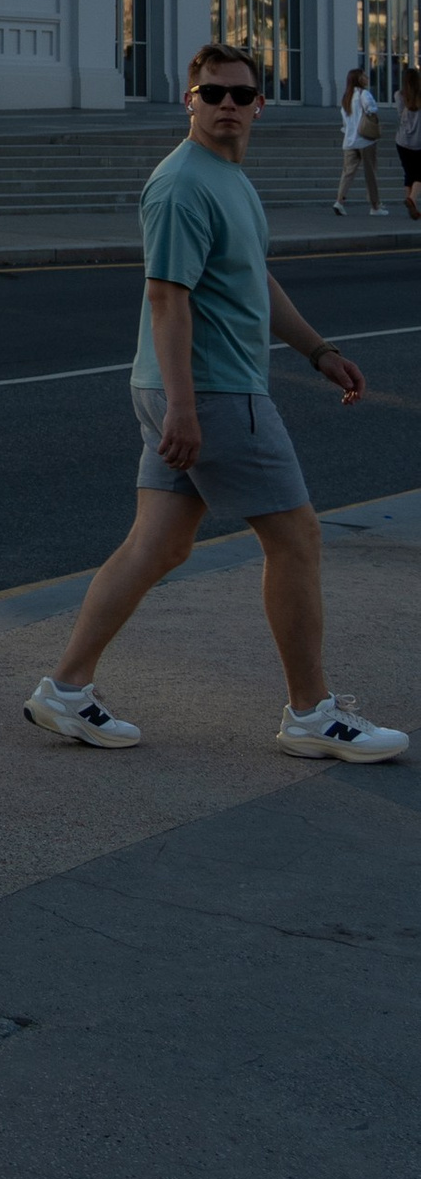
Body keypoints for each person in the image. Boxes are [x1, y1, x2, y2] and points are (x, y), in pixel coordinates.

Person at [23, 42, 404, 762]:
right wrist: (184, 407)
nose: (225, 105)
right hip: (212, 391)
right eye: (211, 94)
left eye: (239, 94)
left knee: (159, 543)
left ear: (259, 103)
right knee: (297, 539)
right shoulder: (181, 185)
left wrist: (317, 351)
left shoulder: (230, 178)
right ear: (188, 102)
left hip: (196, 389)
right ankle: (311, 714)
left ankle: (65, 691)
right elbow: (166, 300)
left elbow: (251, 281)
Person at [331, 60, 383, 216]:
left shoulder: (346, 98)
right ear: (359, 79)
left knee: (347, 173)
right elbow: (371, 108)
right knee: (370, 174)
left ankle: (339, 201)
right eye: (364, 75)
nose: (366, 77)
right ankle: (375, 206)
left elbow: (345, 122)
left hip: (349, 141)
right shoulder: (363, 94)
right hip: (365, 140)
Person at [396, 65, 421, 226]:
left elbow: (400, 115)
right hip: (419, 142)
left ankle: (413, 206)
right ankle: (412, 199)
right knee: (419, 174)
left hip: (402, 141)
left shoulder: (399, 95)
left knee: (409, 173)